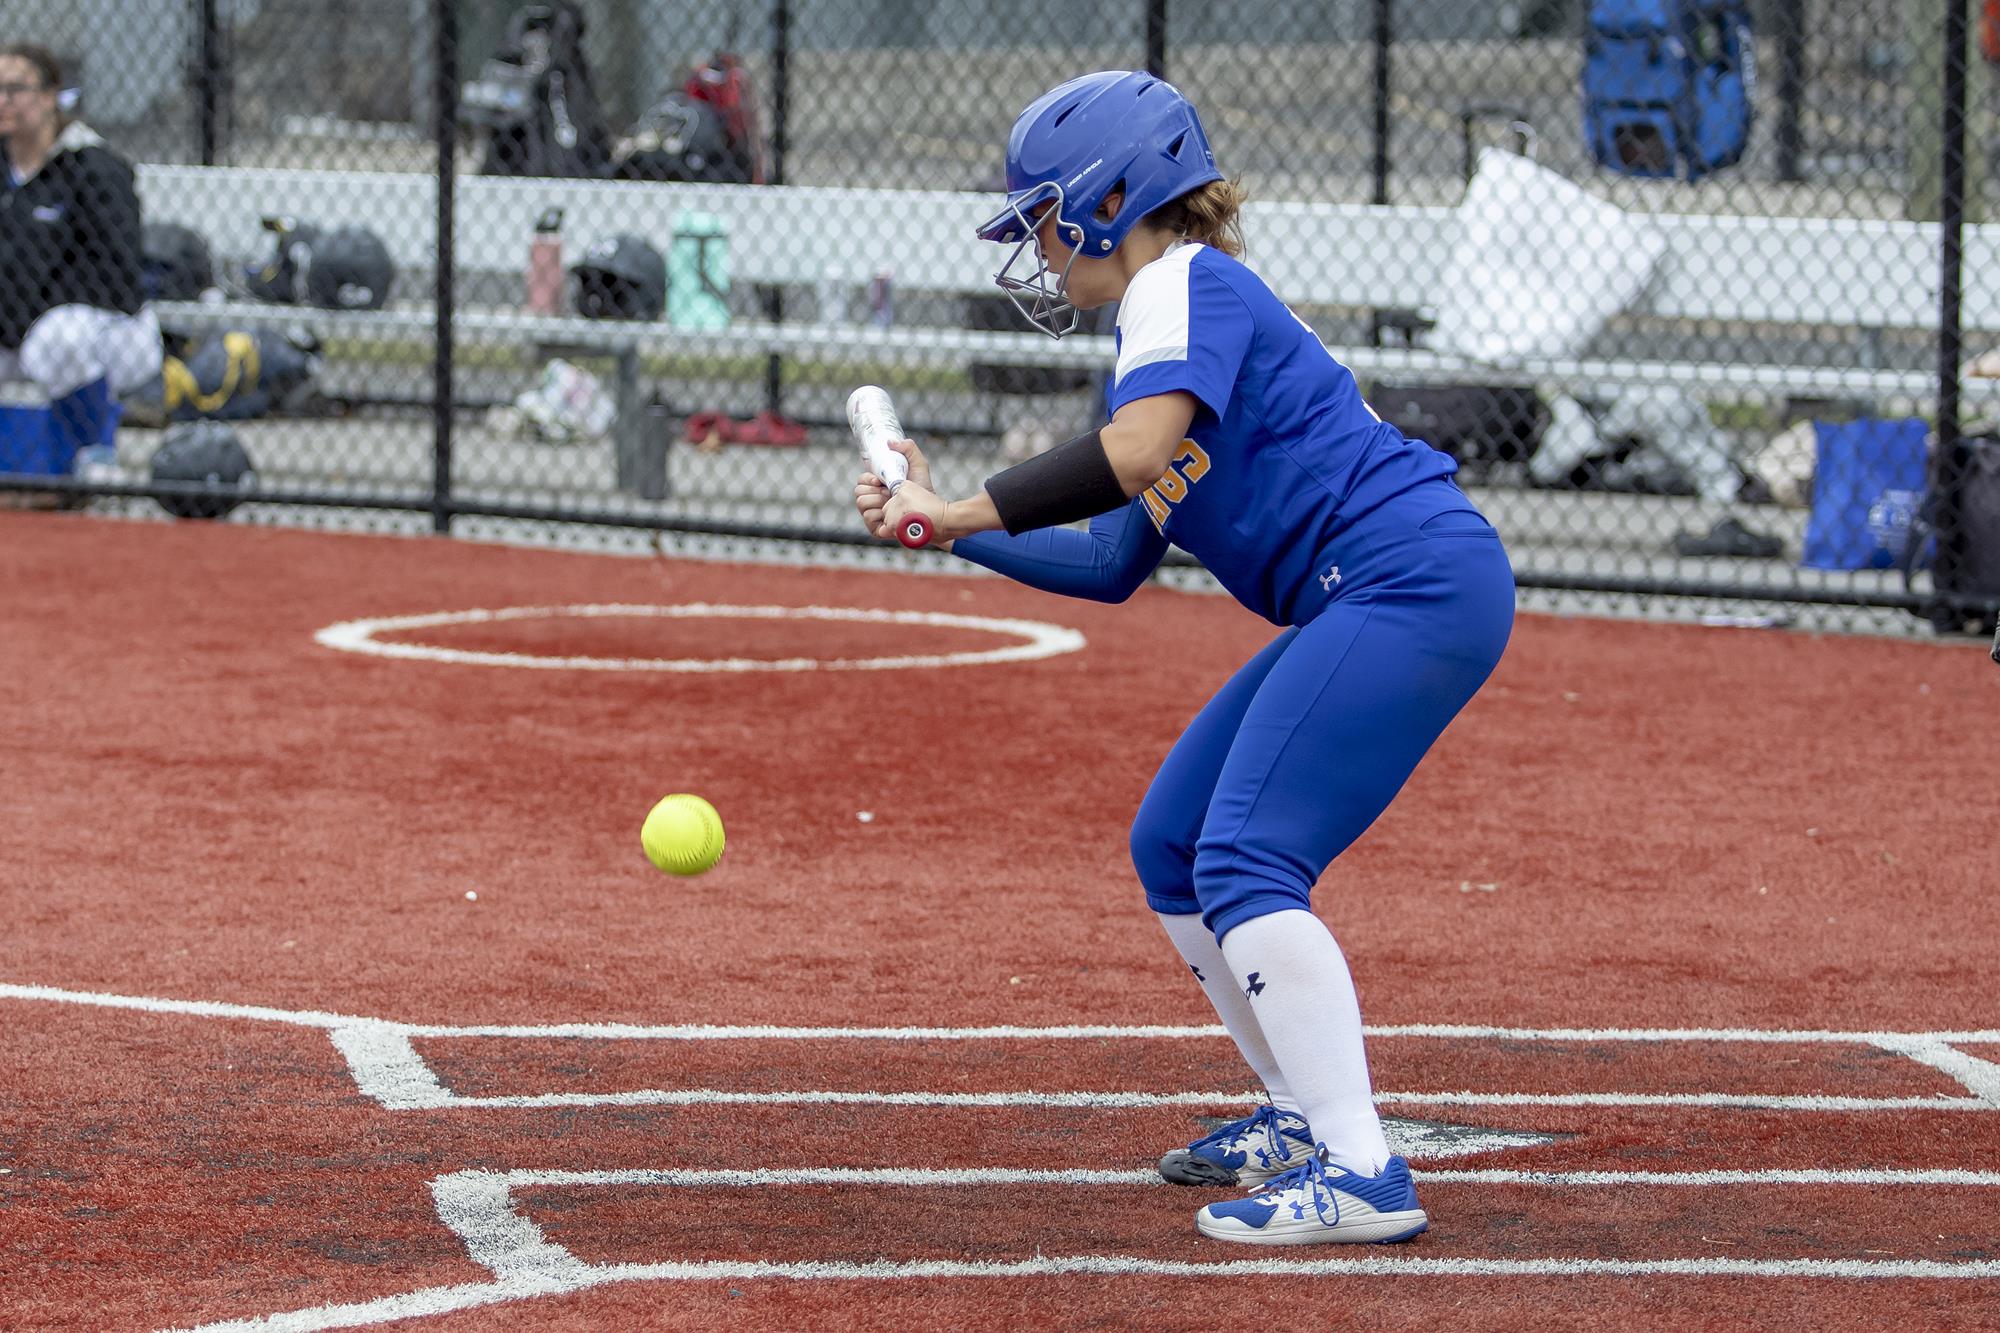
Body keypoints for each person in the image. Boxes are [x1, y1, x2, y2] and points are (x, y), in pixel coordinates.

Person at [854, 71, 1516, 1247]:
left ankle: (1362, 1169)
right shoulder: (1164, 316)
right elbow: (1112, 557)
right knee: (1172, 841)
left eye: (1048, 219)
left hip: (1405, 577)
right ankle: (1295, 1113)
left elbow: (1132, 451)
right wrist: (942, 530)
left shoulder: (1181, 283)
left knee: (1248, 854)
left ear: (1116, 195)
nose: (1041, 251)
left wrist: (955, 509)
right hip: (1373, 589)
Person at [0, 43, 161, 478]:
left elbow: (116, 278)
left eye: (16, 89)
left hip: (111, 329)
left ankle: (97, 454)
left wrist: (28, 308)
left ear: (51, 96)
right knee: (38, 341)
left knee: (56, 339)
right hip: (15, 326)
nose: (4, 101)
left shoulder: (93, 168)